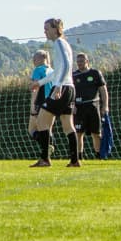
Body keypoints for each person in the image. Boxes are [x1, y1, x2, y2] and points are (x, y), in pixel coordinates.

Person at [29, 18, 80, 168]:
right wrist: (40, 83)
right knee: (67, 125)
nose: (44, 31)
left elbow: (65, 65)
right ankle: (75, 161)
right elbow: (58, 70)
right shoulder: (63, 44)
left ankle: (45, 159)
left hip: (62, 87)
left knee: (41, 121)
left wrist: (57, 86)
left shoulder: (58, 43)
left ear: (55, 28)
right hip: (69, 88)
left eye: (47, 28)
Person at [72, 53, 110, 159]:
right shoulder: (73, 75)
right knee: (78, 133)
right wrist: (72, 105)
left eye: (82, 61)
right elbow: (70, 92)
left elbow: (103, 90)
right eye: (78, 61)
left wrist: (105, 106)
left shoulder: (95, 73)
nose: (79, 63)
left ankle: (99, 156)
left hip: (93, 107)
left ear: (87, 61)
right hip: (79, 108)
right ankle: (79, 157)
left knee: (96, 133)